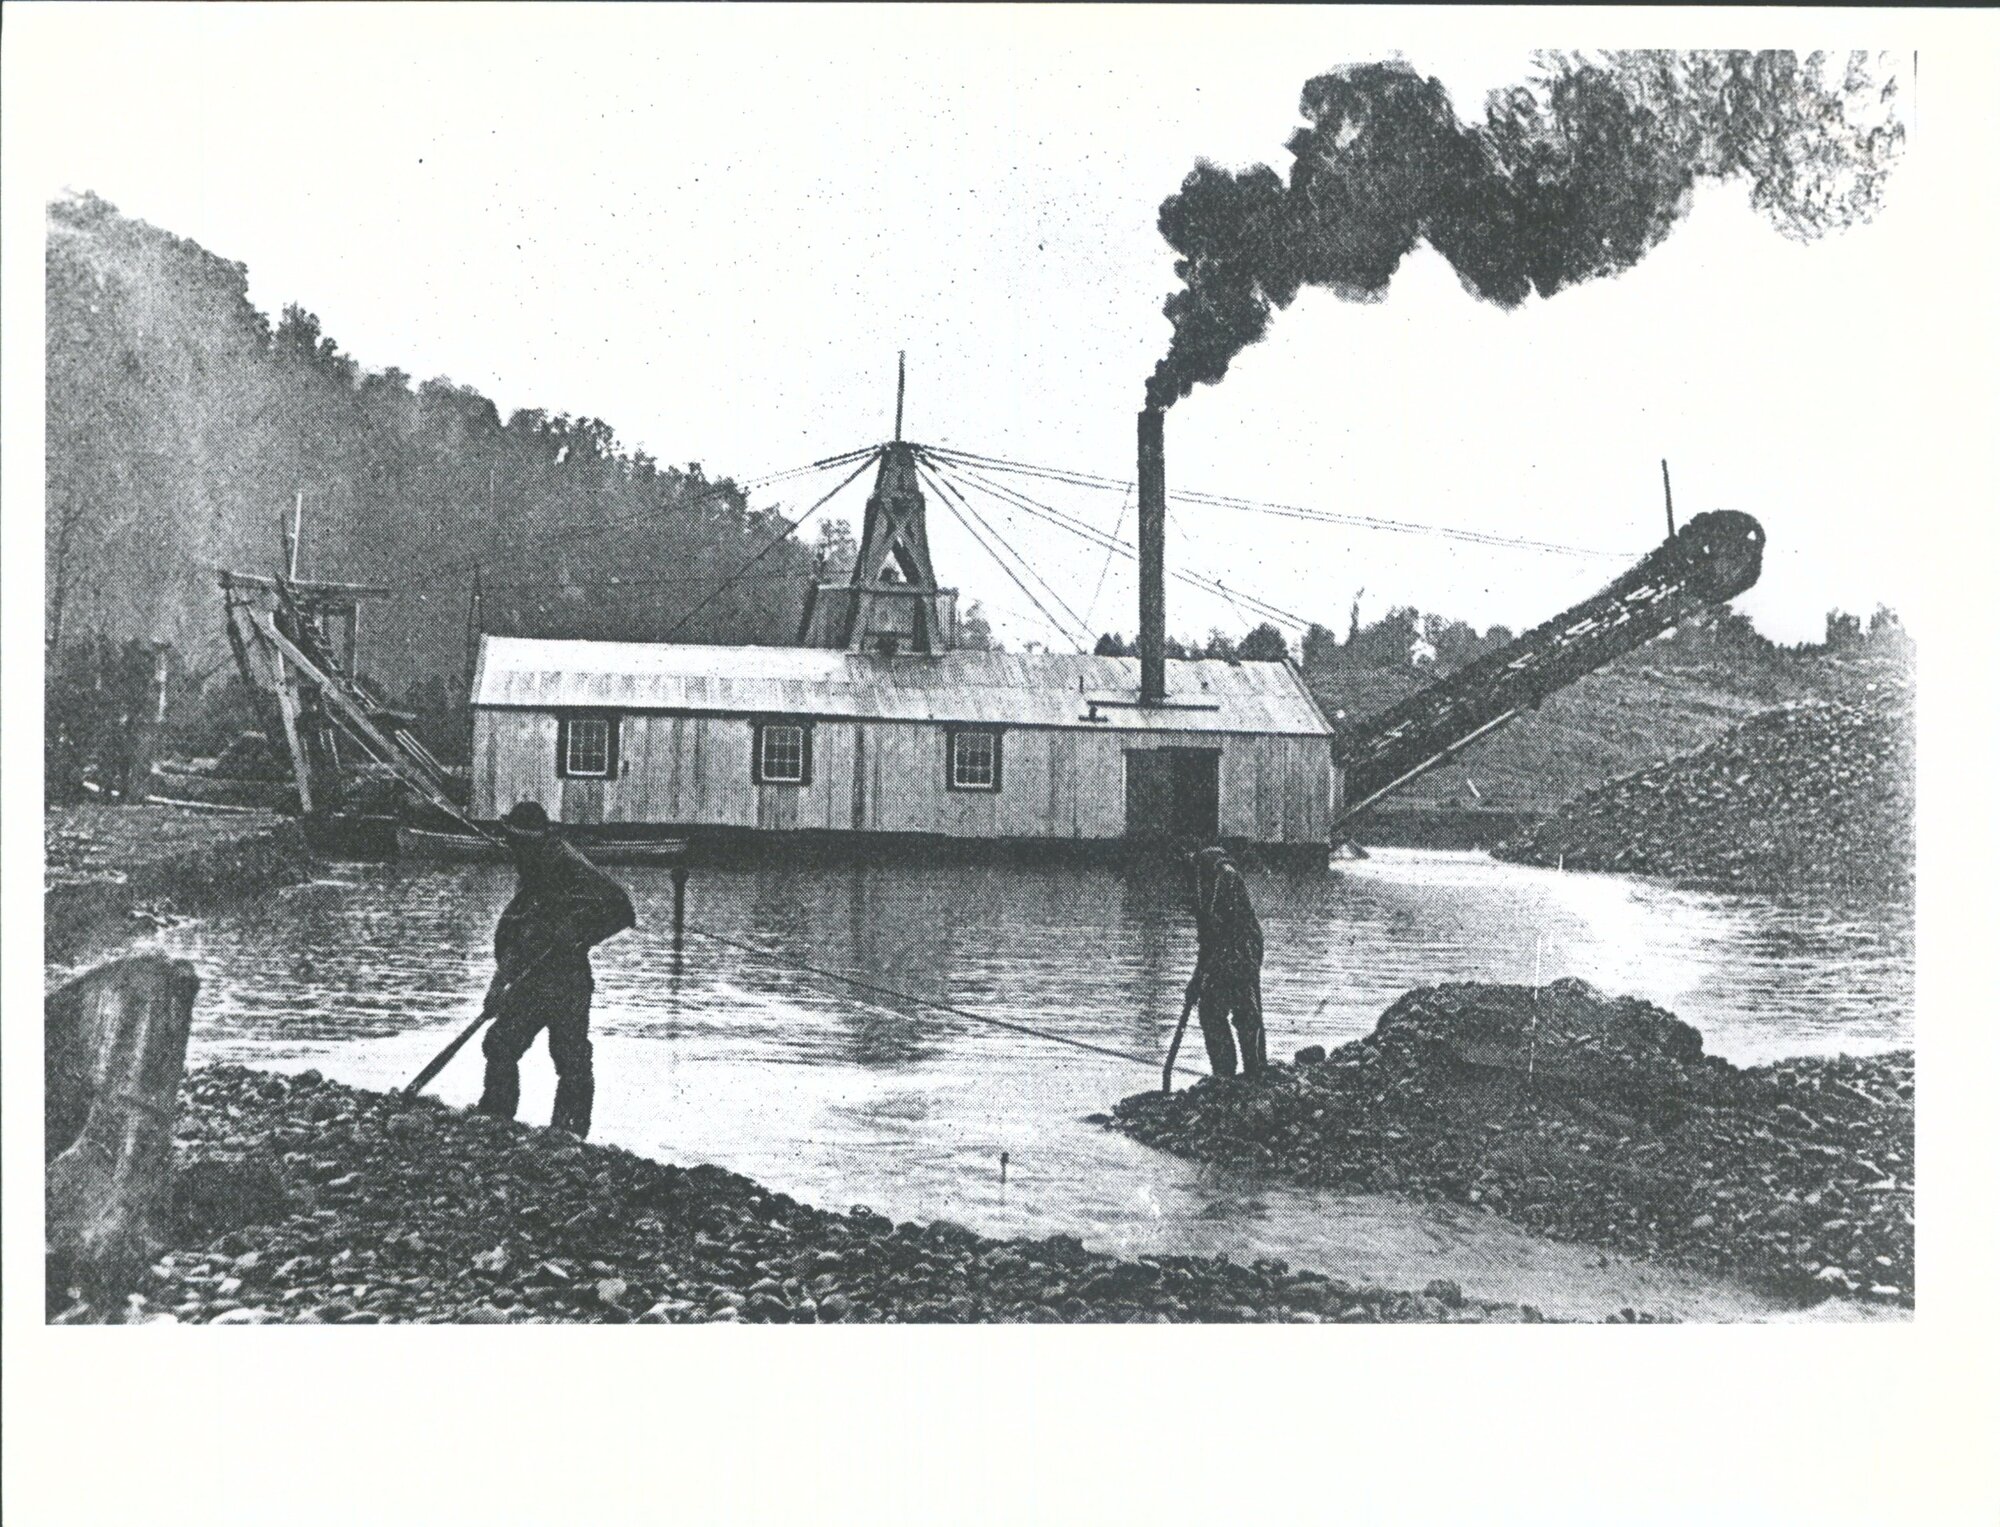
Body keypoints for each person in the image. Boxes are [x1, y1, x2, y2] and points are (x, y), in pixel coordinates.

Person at [476, 801, 636, 1137]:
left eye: (515, 840)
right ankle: (496, 1118)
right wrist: (497, 987)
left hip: (567, 980)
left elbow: (621, 907)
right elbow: (516, 936)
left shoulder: (564, 862)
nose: (511, 848)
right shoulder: (532, 867)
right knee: (501, 1044)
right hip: (532, 978)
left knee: (570, 1056)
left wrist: (578, 936)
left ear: (530, 839)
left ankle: (570, 1130)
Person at [1185, 844, 1266, 1080]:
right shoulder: (1210, 877)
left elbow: (1216, 935)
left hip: (1240, 950)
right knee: (1234, 1011)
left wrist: (1200, 978)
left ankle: (1238, 1073)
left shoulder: (1220, 877)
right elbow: (1208, 939)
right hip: (1240, 950)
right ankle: (1240, 1072)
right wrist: (1197, 979)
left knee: (1225, 1010)